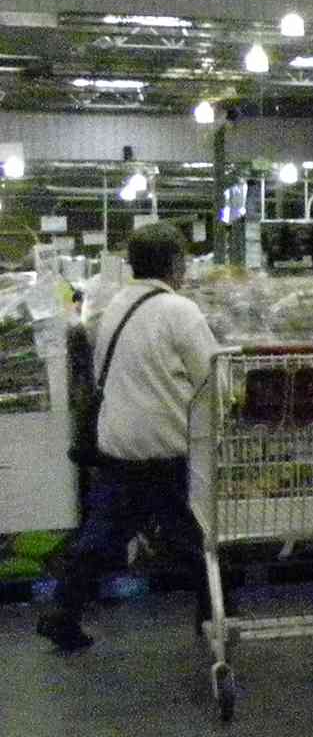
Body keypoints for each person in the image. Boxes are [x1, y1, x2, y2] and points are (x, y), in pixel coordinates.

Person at [39, 223, 223, 653]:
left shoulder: (114, 305)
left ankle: (62, 612)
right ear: (177, 263)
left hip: (119, 443)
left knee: (102, 535)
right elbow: (213, 378)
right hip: (166, 446)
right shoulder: (181, 311)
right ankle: (214, 615)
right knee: (196, 538)